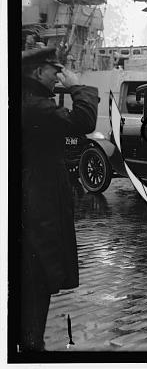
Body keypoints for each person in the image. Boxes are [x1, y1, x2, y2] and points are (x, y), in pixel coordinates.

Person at [20, 47, 99, 351]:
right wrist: (78, 87)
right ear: (38, 71)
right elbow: (84, 121)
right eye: (55, 70)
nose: (58, 77)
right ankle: (31, 349)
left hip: (33, 198)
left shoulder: (25, 100)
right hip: (38, 204)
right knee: (37, 278)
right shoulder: (37, 106)